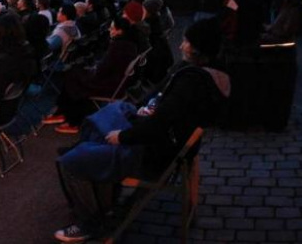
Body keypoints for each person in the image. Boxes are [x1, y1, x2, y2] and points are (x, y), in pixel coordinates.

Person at [53, 17, 230, 242]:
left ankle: (91, 222)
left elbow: (159, 124)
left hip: (151, 153)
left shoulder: (191, 82)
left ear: (199, 48)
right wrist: (146, 110)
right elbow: (164, 110)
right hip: (163, 143)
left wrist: (124, 135)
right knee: (107, 121)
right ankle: (97, 181)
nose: (180, 45)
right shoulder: (204, 75)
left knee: (71, 162)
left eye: (185, 41)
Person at [43, 17, 138, 134]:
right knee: (74, 75)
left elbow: (103, 70)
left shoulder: (117, 46)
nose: (109, 30)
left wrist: (92, 71)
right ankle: (64, 113)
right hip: (114, 83)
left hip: (108, 85)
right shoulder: (130, 45)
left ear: (120, 31)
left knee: (73, 79)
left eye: (112, 28)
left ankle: (72, 120)